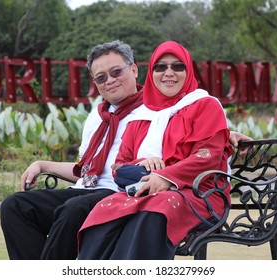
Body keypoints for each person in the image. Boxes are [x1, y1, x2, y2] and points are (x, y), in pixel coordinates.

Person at [0, 40, 251, 260]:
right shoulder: (106, 117)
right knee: (15, 206)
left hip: (130, 190)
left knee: (78, 211)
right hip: (115, 186)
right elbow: (97, 168)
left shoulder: (156, 108)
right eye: (101, 77)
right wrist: (43, 165)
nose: (109, 81)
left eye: (116, 72)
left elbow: (200, 140)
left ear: (134, 70)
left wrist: (226, 135)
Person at [77, 41, 235, 260]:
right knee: (106, 209)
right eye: (160, 67)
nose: (168, 73)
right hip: (149, 191)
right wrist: (143, 163)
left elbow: (207, 156)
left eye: (177, 67)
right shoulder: (144, 115)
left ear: (188, 71)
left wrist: (166, 177)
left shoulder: (205, 105)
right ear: (151, 73)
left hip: (200, 193)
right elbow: (120, 166)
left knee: (154, 211)